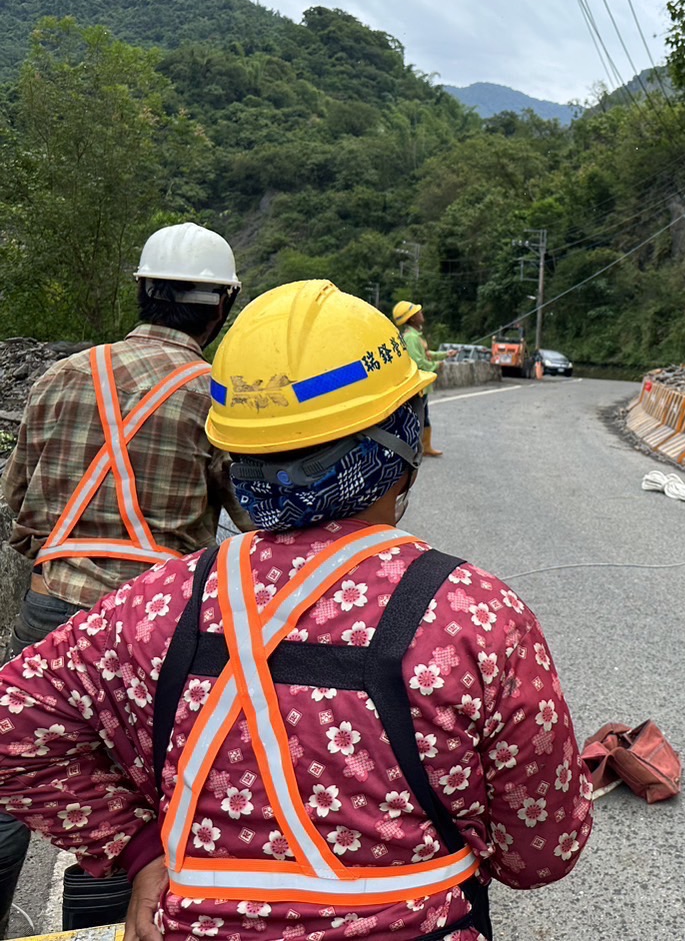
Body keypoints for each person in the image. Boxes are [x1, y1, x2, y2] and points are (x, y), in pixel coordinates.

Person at [0, 279, 592, 940]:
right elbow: (541, 852)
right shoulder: (476, 616)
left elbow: (12, 724)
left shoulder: (156, 605)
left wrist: (139, 850)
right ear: (397, 445)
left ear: (235, 453)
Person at [0, 220, 248, 930]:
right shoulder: (217, 396)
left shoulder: (61, 374)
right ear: (221, 308)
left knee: (14, 771)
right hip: (156, 624)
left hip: (51, 607)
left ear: (142, 291)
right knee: (144, 791)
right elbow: (248, 510)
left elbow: (19, 505)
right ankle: (103, 924)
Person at [394, 300, 450, 457]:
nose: (421, 314)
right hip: (417, 386)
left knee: (424, 416)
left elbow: (426, 354)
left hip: (422, 386)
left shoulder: (416, 336)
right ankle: (413, 450)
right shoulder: (411, 338)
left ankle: (426, 447)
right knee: (417, 417)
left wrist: (445, 355)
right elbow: (418, 362)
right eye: (417, 312)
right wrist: (436, 365)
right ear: (412, 319)